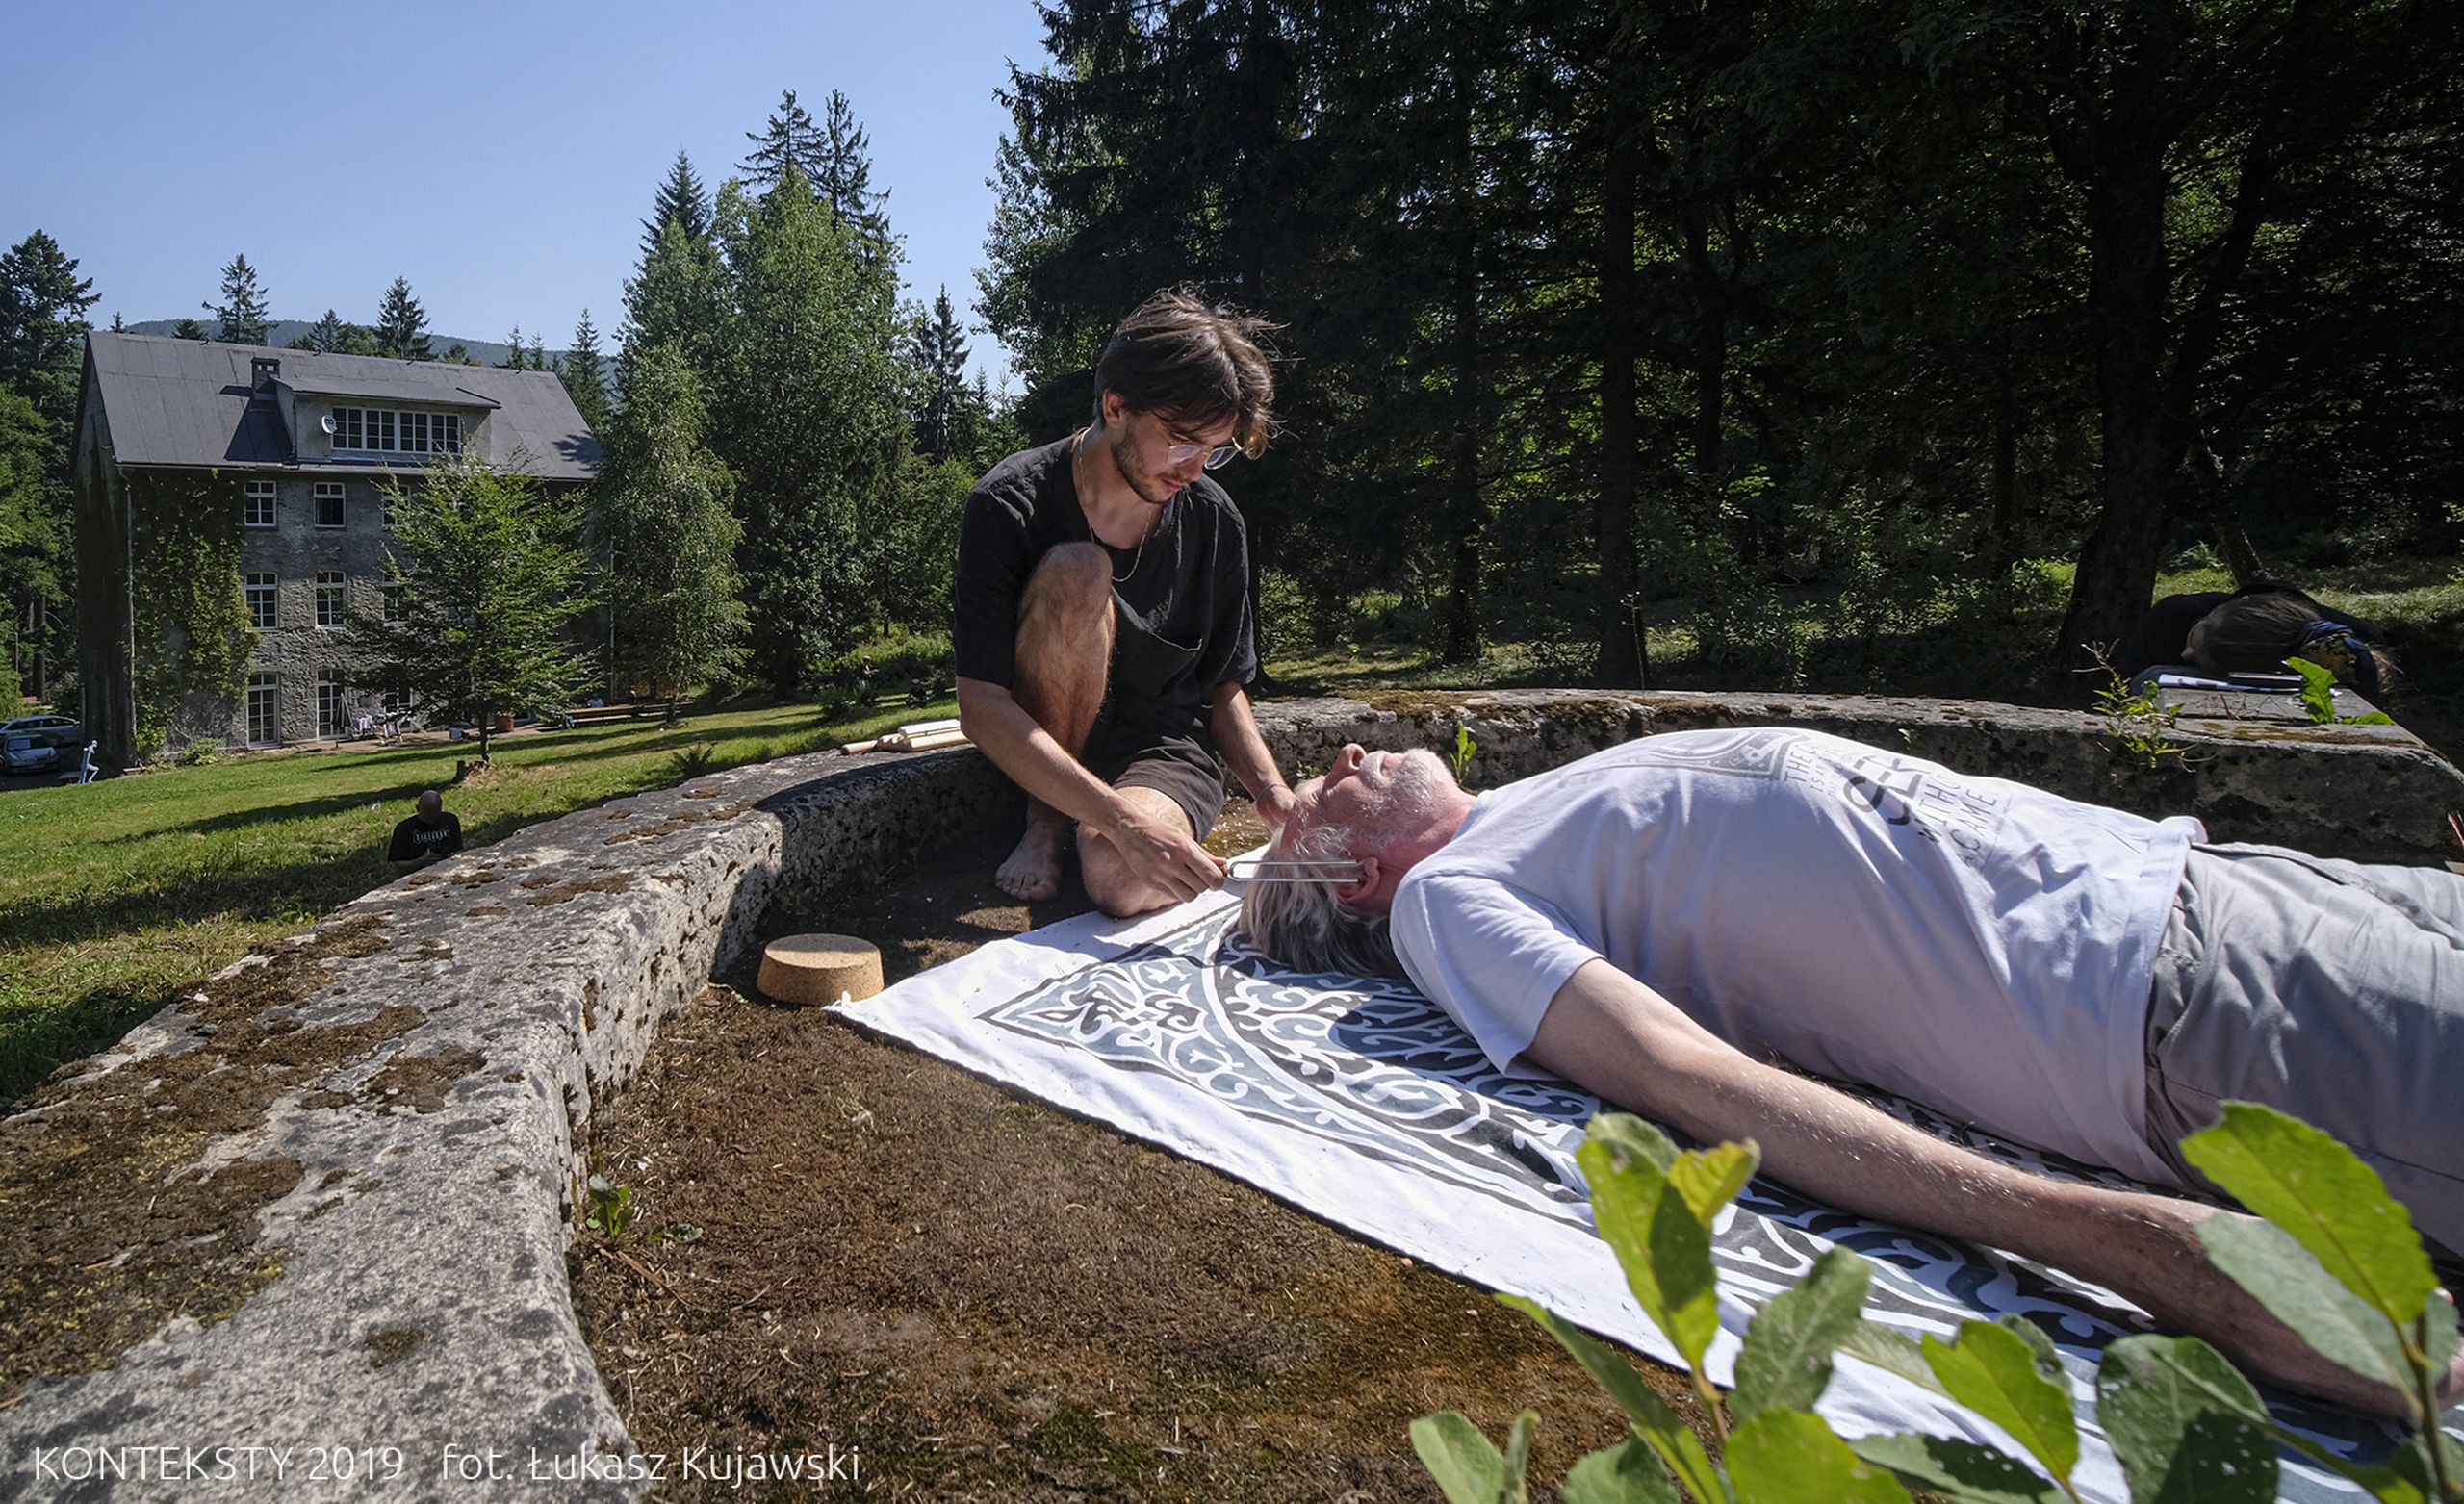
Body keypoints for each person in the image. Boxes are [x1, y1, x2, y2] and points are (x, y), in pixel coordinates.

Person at [1236, 727, 2464, 1417]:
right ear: (1355, 881)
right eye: (1310, 803)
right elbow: (1682, 1076)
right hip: (2172, 1004)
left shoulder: (1516, 811)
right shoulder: (1447, 901)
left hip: (2217, 876)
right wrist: (2133, 1247)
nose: (1342, 750)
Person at [954, 288, 1296, 916]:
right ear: (1116, 407)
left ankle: (1097, 827)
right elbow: (979, 704)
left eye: (1214, 450)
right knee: (1079, 569)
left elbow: (1223, 688)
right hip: (1045, 746)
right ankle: (1046, 824)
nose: (1195, 470)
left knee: (1121, 878)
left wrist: (1273, 794)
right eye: (1183, 442)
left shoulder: (1216, 519)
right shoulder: (1009, 504)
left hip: (1162, 749)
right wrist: (1120, 818)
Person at [2118, 580, 2395, 699]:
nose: (2185, 655)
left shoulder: (2353, 653)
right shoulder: (2177, 617)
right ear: (2243, 601)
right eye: (2191, 636)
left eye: (2199, 659)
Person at [387, 789, 464, 868]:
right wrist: (419, 862)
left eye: (436, 814)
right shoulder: (404, 828)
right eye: (428, 816)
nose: (432, 820)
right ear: (418, 809)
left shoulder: (450, 821)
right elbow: (397, 865)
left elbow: (458, 851)